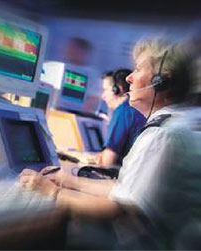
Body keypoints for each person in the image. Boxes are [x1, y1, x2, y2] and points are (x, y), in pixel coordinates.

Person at [19, 38, 201, 249]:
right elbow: (124, 189)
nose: (130, 78)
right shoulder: (175, 124)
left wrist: (50, 192)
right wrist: (68, 180)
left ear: (162, 81)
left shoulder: (163, 136)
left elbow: (118, 207)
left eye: (139, 69)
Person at [96, 69, 145, 167]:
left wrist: (102, 158)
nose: (103, 96)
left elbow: (107, 163)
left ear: (117, 89)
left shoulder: (122, 111)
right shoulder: (136, 110)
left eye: (105, 90)